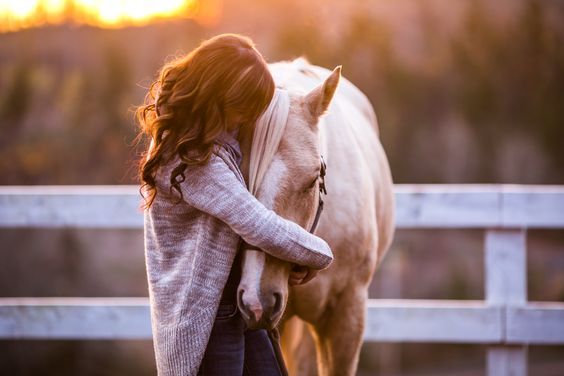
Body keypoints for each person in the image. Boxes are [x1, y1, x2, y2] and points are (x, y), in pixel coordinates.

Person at [135, 33, 333, 376]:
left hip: (231, 302)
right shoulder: (190, 160)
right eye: (245, 107)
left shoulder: (211, 141)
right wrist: (317, 253)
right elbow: (256, 222)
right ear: (219, 94)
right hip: (205, 322)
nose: (246, 119)